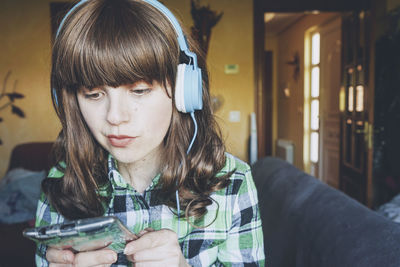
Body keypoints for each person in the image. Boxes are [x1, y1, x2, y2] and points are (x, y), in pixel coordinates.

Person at [35, 0, 265, 266]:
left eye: (139, 90)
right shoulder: (61, 184)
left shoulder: (233, 182)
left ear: (183, 91)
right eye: (93, 94)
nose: (115, 117)